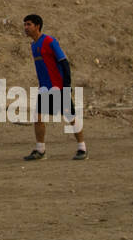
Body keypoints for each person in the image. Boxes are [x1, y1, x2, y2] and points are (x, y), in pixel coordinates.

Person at [22, 14, 87, 160]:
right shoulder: (33, 45)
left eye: (28, 24)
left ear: (37, 26)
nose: (25, 28)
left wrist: (66, 86)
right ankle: (40, 150)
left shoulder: (50, 41)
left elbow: (64, 62)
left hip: (58, 86)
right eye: (25, 25)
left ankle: (82, 148)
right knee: (38, 117)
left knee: (70, 116)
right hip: (44, 88)